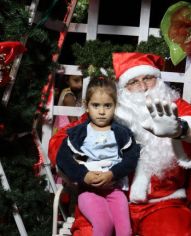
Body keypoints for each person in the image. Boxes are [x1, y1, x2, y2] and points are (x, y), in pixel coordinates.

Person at [49, 52, 191, 235]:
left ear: (158, 79)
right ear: (123, 88)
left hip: (162, 204)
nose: (143, 87)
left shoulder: (171, 106)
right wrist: (83, 170)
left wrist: (181, 129)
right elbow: (60, 140)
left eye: (148, 78)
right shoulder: (110, 110)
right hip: (104, 197)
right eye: (134, 82)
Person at [56, 77, 140, 236]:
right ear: (87, 106)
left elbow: (132, 158)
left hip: (115, 190)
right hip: (89, 192)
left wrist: (113, 173)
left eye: (107, 106)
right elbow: (63, 158)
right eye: (96, 105)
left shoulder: (122, 133)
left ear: (115, 106)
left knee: (125, 231)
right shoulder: (79, 133)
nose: (102, 112)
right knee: (104, 225)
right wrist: (84, 175)